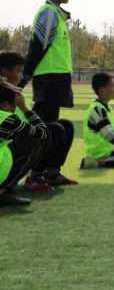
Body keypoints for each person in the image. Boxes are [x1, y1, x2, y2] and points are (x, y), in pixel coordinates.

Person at [0, 50, 76, 189]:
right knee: (40, 135)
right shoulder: (6, 97)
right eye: (18, 71)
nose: (21, 76)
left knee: (65, 125)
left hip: (14, 134)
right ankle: (22, 181)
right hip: (9, 142)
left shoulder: (14, 94)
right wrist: (25, 109)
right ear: (5, 72)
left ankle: (52, 174)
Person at [22, 0, 75, 127]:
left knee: (49, 124)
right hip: (49, 78)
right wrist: (25, 76)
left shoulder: (57, 14)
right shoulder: (49, 13)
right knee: (43, 123)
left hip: (56, 76)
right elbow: (38, 46)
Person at [0, 85, 48, 205]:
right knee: (31, 141)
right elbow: (43, 133)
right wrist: (24, 108)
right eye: (14, 107)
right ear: (5, 105)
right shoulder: (7, 119)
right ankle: (2, 190)